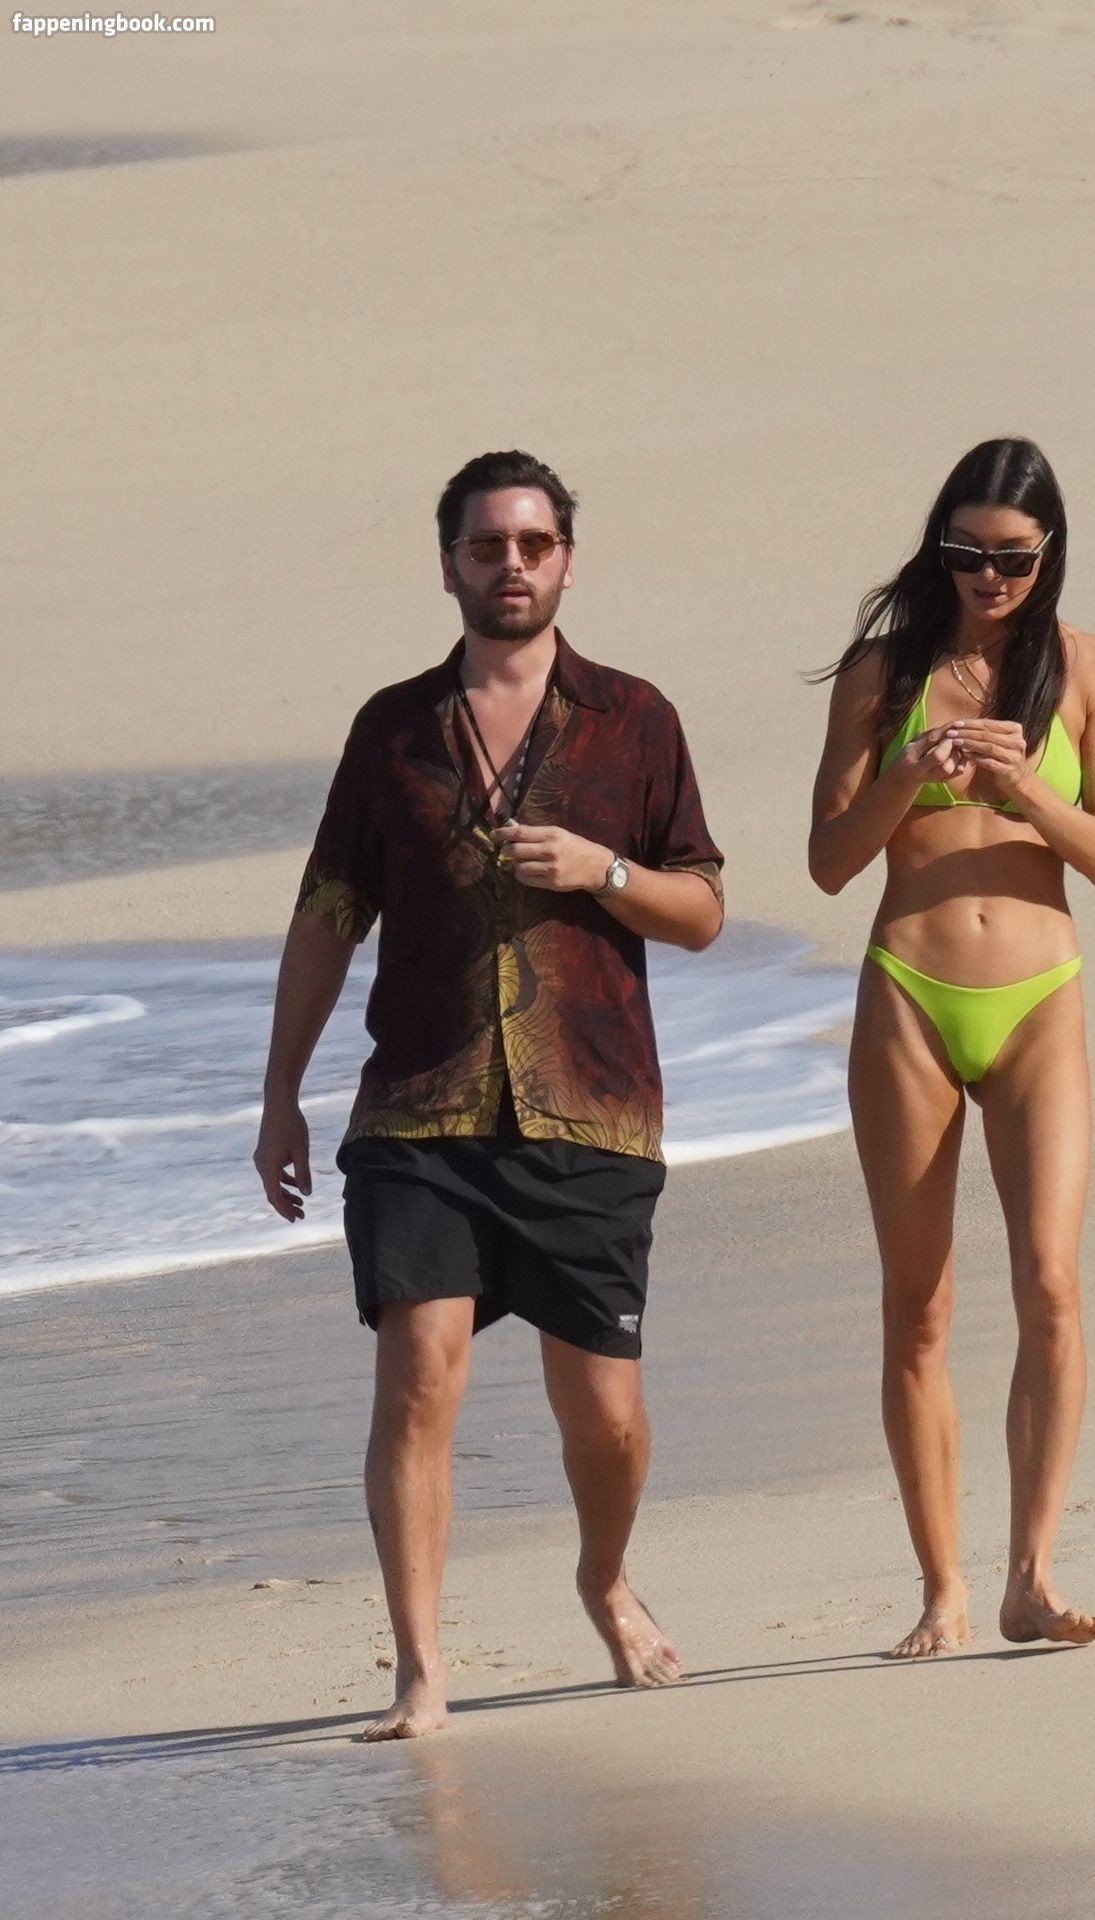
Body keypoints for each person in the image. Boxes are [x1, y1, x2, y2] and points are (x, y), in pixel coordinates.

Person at [253, 450, 725, 1736]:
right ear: (449, 564)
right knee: (419, 1372)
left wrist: (602, 870)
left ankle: (604, 1577)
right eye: (485, 546)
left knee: (607, 1417)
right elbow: (329, 911)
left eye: (531, 544)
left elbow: (701, 910)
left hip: (592, 1105)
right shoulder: (392, 730)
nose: (509, 565)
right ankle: (421, 1670)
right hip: (420, 1106)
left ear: (566, 558)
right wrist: (280, 1093)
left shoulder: (635, 719)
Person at [808, 437, 1095, 1655]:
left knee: (1051, 1280)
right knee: (919, 1306)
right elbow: (830, 861)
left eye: (1013, 559)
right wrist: (909, 776)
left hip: (1040, 995)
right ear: (938, 549)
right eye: (966, 555)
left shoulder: (1091, 669)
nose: (989, 579)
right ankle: (942, 1591)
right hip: (910, 992)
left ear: (1049, 557)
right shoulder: (883, 672)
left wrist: (1024, 790)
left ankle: (1029, 1578)